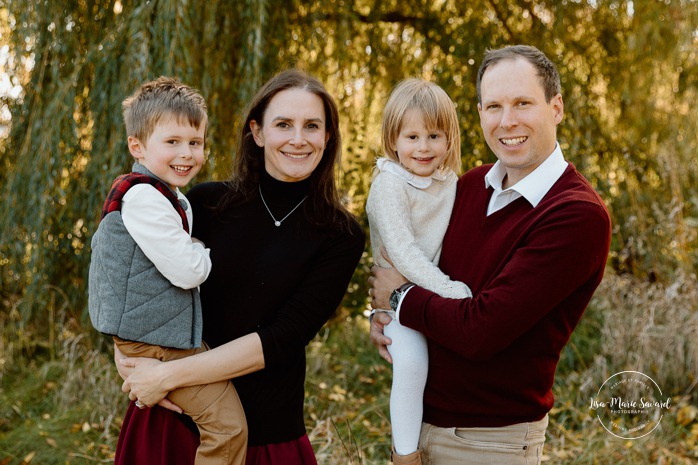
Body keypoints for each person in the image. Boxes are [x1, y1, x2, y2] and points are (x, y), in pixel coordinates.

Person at [369, 45, 612, 464]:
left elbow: (480, 331)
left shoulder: (576, 215)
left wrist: (399, 298)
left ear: (556, 107)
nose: (507, 121)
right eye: (494, 106)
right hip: (419, 429)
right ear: (479, 112)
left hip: (489, 444)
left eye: (522, 103)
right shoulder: (468, 185)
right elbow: (419, 269)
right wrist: (388, 316)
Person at [113, 69, 365, 465]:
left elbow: (282, 337)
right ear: (258, 133)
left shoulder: (341, 234)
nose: (298, 139)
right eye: (283, 124)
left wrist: (166, 376)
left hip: (268, 432)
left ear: (327, 137)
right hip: (174, 421)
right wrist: (127, 360)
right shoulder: (205, 203)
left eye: (312, 126)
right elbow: (135, 283)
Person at [88, 76, 247, 465]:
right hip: (157, 344)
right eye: (172, 142)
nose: (188, 153)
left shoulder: (166, 195)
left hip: (161, 334)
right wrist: (200, 249)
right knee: (228, 428)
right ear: (137, 146)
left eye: (196, 143)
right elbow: (188, 271)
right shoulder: (145, 197)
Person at [365, 78, 471, 465]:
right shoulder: (389, 185)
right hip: (398, 299)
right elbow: (404, 254)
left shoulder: (449, 182)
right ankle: (405, 455)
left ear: (449, 139)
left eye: (434, 135)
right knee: (411, 365)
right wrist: (450, 290)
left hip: (429, 294)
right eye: (411, 136)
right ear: (393, 140)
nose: (423, 148)